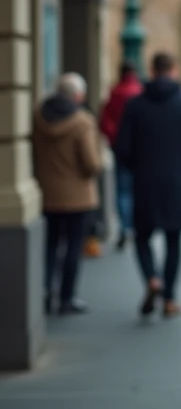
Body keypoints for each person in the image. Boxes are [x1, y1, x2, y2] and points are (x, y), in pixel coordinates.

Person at [115, 52, 181, 318]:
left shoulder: (136, 105)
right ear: (174, 70)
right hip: (179, 183)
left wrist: (138, 167)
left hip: (145, 181)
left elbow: (122, 147)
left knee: (142, 237)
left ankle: (151, 278)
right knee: (174, 240)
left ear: (152, 69)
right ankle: (169, 298)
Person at [32, 73, 103, 314]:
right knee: (73, 246)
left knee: (50, 244)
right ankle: (66, 297)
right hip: (77, 197)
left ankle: (44, 291)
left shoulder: (38, 116)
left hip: (47, 193)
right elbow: (91, 163)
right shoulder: (82, 121)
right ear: (77, 95)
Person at [99, 61, 143, 250]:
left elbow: (105, 121)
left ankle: (124, 228)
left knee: (122, 190)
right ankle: (134, 225)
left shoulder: (115, 93)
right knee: (137, 189)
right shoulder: (140, 93)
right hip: (140, 150)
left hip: (120, 148)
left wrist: (115, 137)